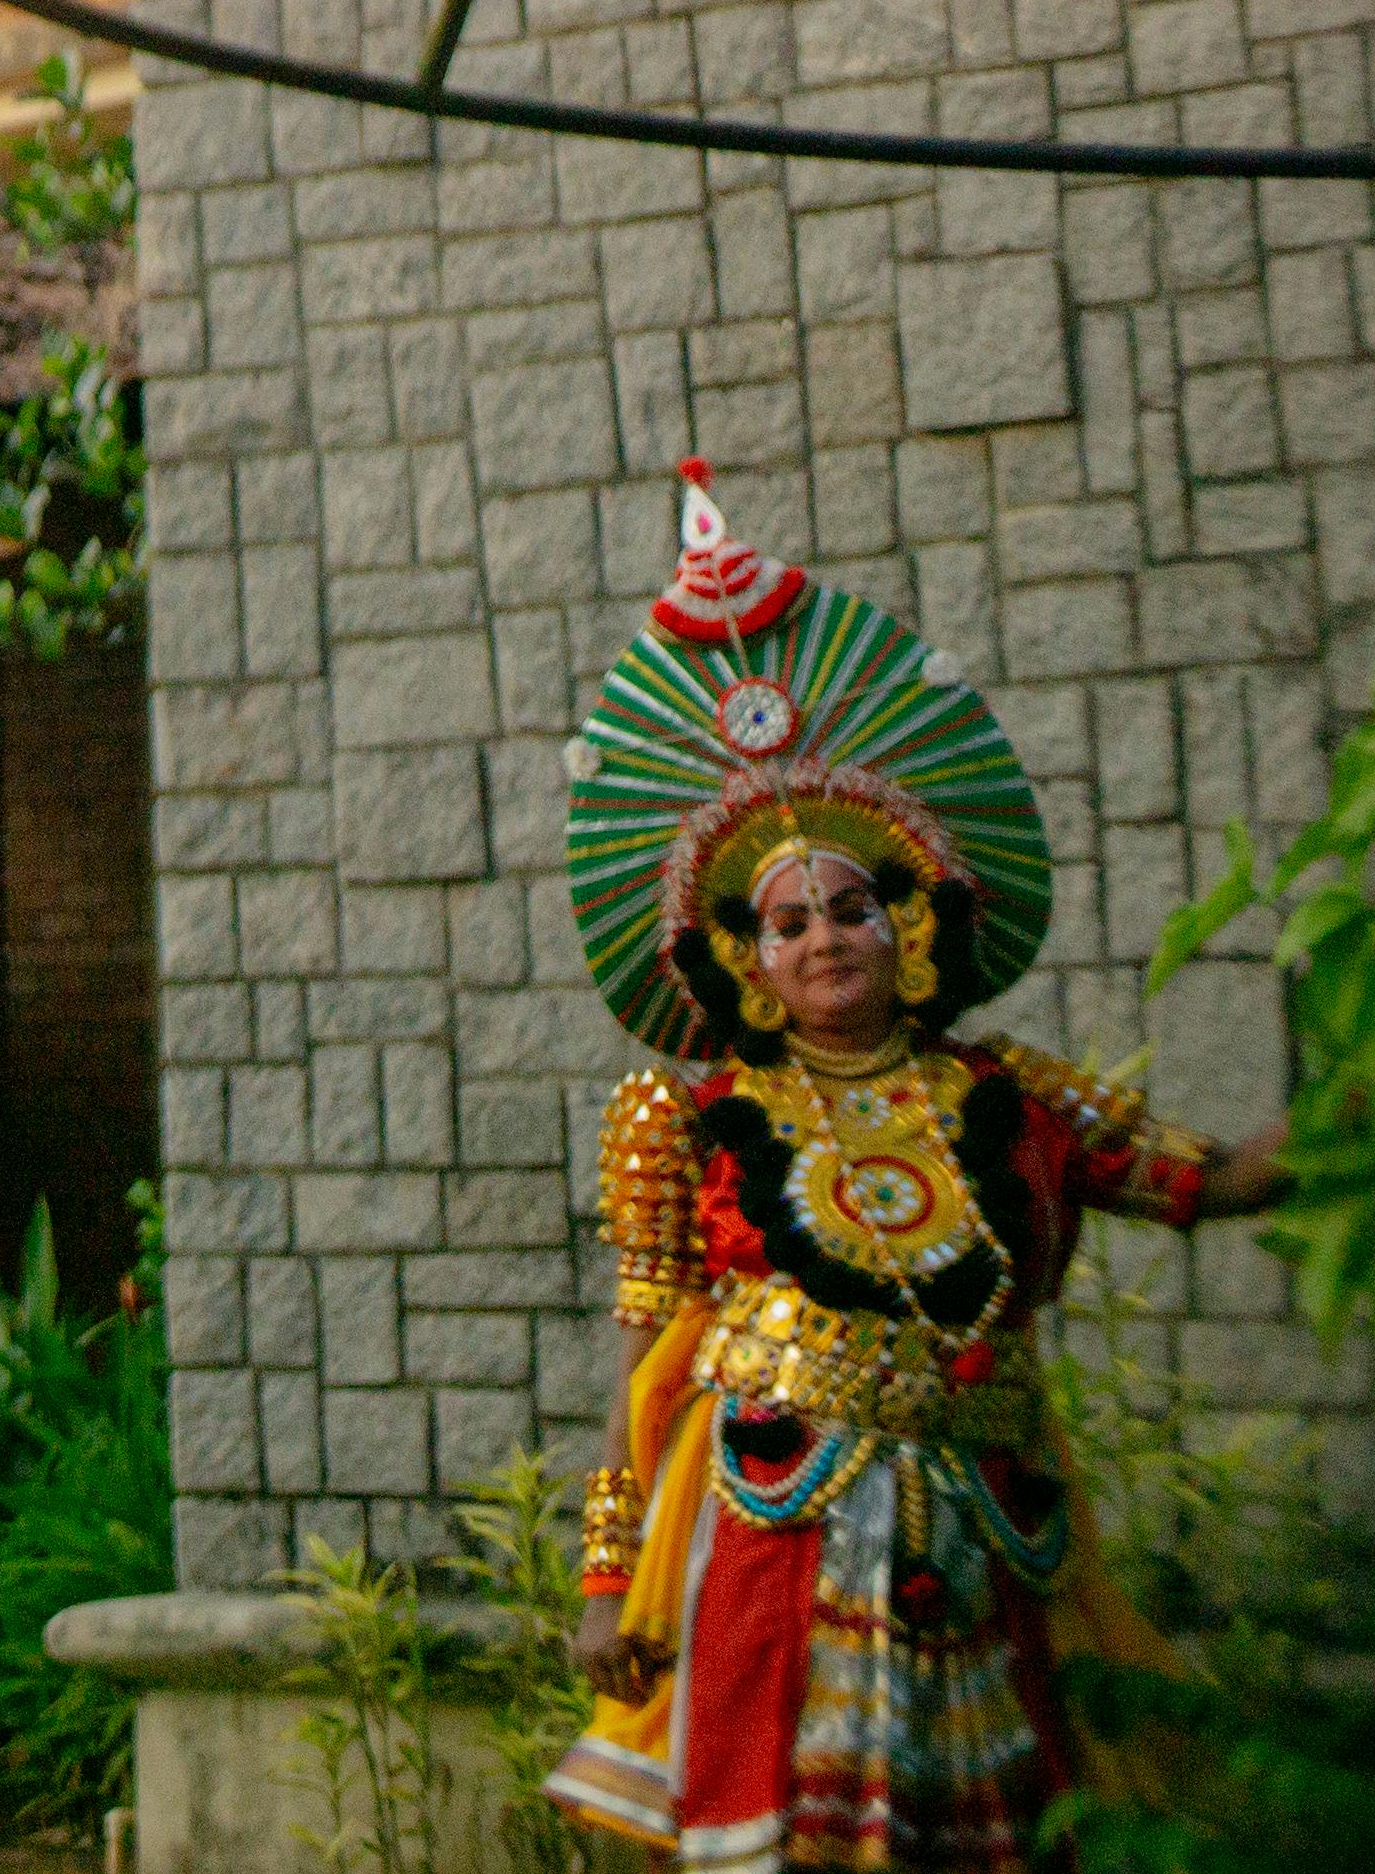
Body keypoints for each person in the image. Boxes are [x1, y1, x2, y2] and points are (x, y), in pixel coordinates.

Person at [550, 466, 1288, 1874]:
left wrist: (1351, 1121)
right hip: (776, 1526)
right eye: (786, 921)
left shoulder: (1009, 1096)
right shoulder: (686, 1116)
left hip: (984, 1534)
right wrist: (606, 1577)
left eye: (852, 904)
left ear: (909, 923)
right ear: (747, 962)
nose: (824, 934)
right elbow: (645, 1362)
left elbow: (1211, 1181)